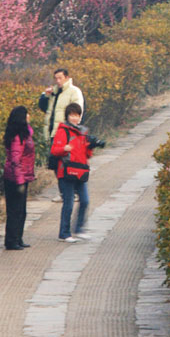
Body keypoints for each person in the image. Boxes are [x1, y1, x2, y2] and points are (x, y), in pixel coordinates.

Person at [50, 102, 100, 243]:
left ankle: (79, 229)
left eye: (77, 115)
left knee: (85, 200)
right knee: (69, 203)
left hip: (80, 170)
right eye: (72, 115)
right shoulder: (63, 131)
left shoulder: (83, 131)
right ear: (67, 116)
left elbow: (87, 153)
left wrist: (91, 146)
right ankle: (64, 233)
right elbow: (54, 150)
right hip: (66, 171)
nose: (75, 118)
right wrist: (64, 148)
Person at [2, 105, 36, 250]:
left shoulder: (25, 134)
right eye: (27, 114)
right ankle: (11, 241)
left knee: (21, 210)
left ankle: (18, 238)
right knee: (15, 210)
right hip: (15, 178)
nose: (29, 116)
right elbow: (15, 161)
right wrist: (19, 182)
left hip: (23, 176)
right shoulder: (17, 137)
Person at [38, 67, 84, 144]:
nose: (58, 81)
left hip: (65, 133)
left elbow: (78, 112)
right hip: (52, 132)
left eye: (60, 78)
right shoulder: (53, 92)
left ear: (66, 78)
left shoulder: (74, 91)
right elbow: (44, 108)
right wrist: (45, 97)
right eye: (56, 79)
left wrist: (73, 131)